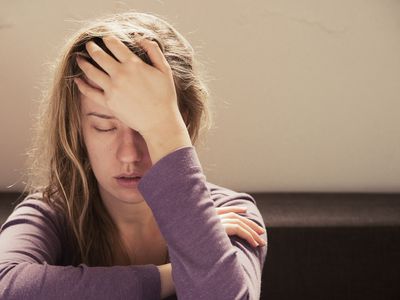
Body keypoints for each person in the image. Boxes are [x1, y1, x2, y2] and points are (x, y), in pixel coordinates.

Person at [0, 11, 267, 299]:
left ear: (183, 123)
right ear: (78, 129)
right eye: (104, 126)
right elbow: (7, 287)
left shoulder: (232, 212)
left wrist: (165, 127)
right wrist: (173, 272)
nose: (129, 155)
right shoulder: (53, 212)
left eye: (144, 128)